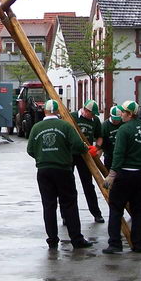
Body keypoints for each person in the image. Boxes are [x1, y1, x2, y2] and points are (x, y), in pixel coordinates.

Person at [27, 100, 93, 249]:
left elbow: (30, 149)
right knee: (69, 203)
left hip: (44, 171)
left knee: (48, 205)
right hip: (63, 169)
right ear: (57, 112)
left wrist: (42, 158)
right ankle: (76, 239)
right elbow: (77, 145)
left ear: (44, 111)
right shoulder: (65, 126)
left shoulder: (36, 128)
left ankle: (52, 239)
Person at [103, 100, 141, 255]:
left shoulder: (124, 130)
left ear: (130, 114)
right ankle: (139, 244)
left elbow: (118, 154)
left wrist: (112, 174)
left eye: (124, 112)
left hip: (125, 175)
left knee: (116, 208)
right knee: (139, 210)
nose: (122, 115)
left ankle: (115, 244)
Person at [73, 99, 105, 223]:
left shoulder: (95, 121)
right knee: (68, 186)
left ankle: (96, 213)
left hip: (85, 155)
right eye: (92, 114)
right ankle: (66, 216)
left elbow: (100, 137)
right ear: (86, 110)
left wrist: (96, 148)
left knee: (88, 185)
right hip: (71, 154)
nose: (92, 116)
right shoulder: (73, 117)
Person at [100, 105, 124, 171]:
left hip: (122, 156)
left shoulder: (123, 123)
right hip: (109, 156)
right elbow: (101, 144)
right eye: (114, 119)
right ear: (110, 115)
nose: (116, 121)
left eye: (118, 119)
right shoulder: (104, 126)